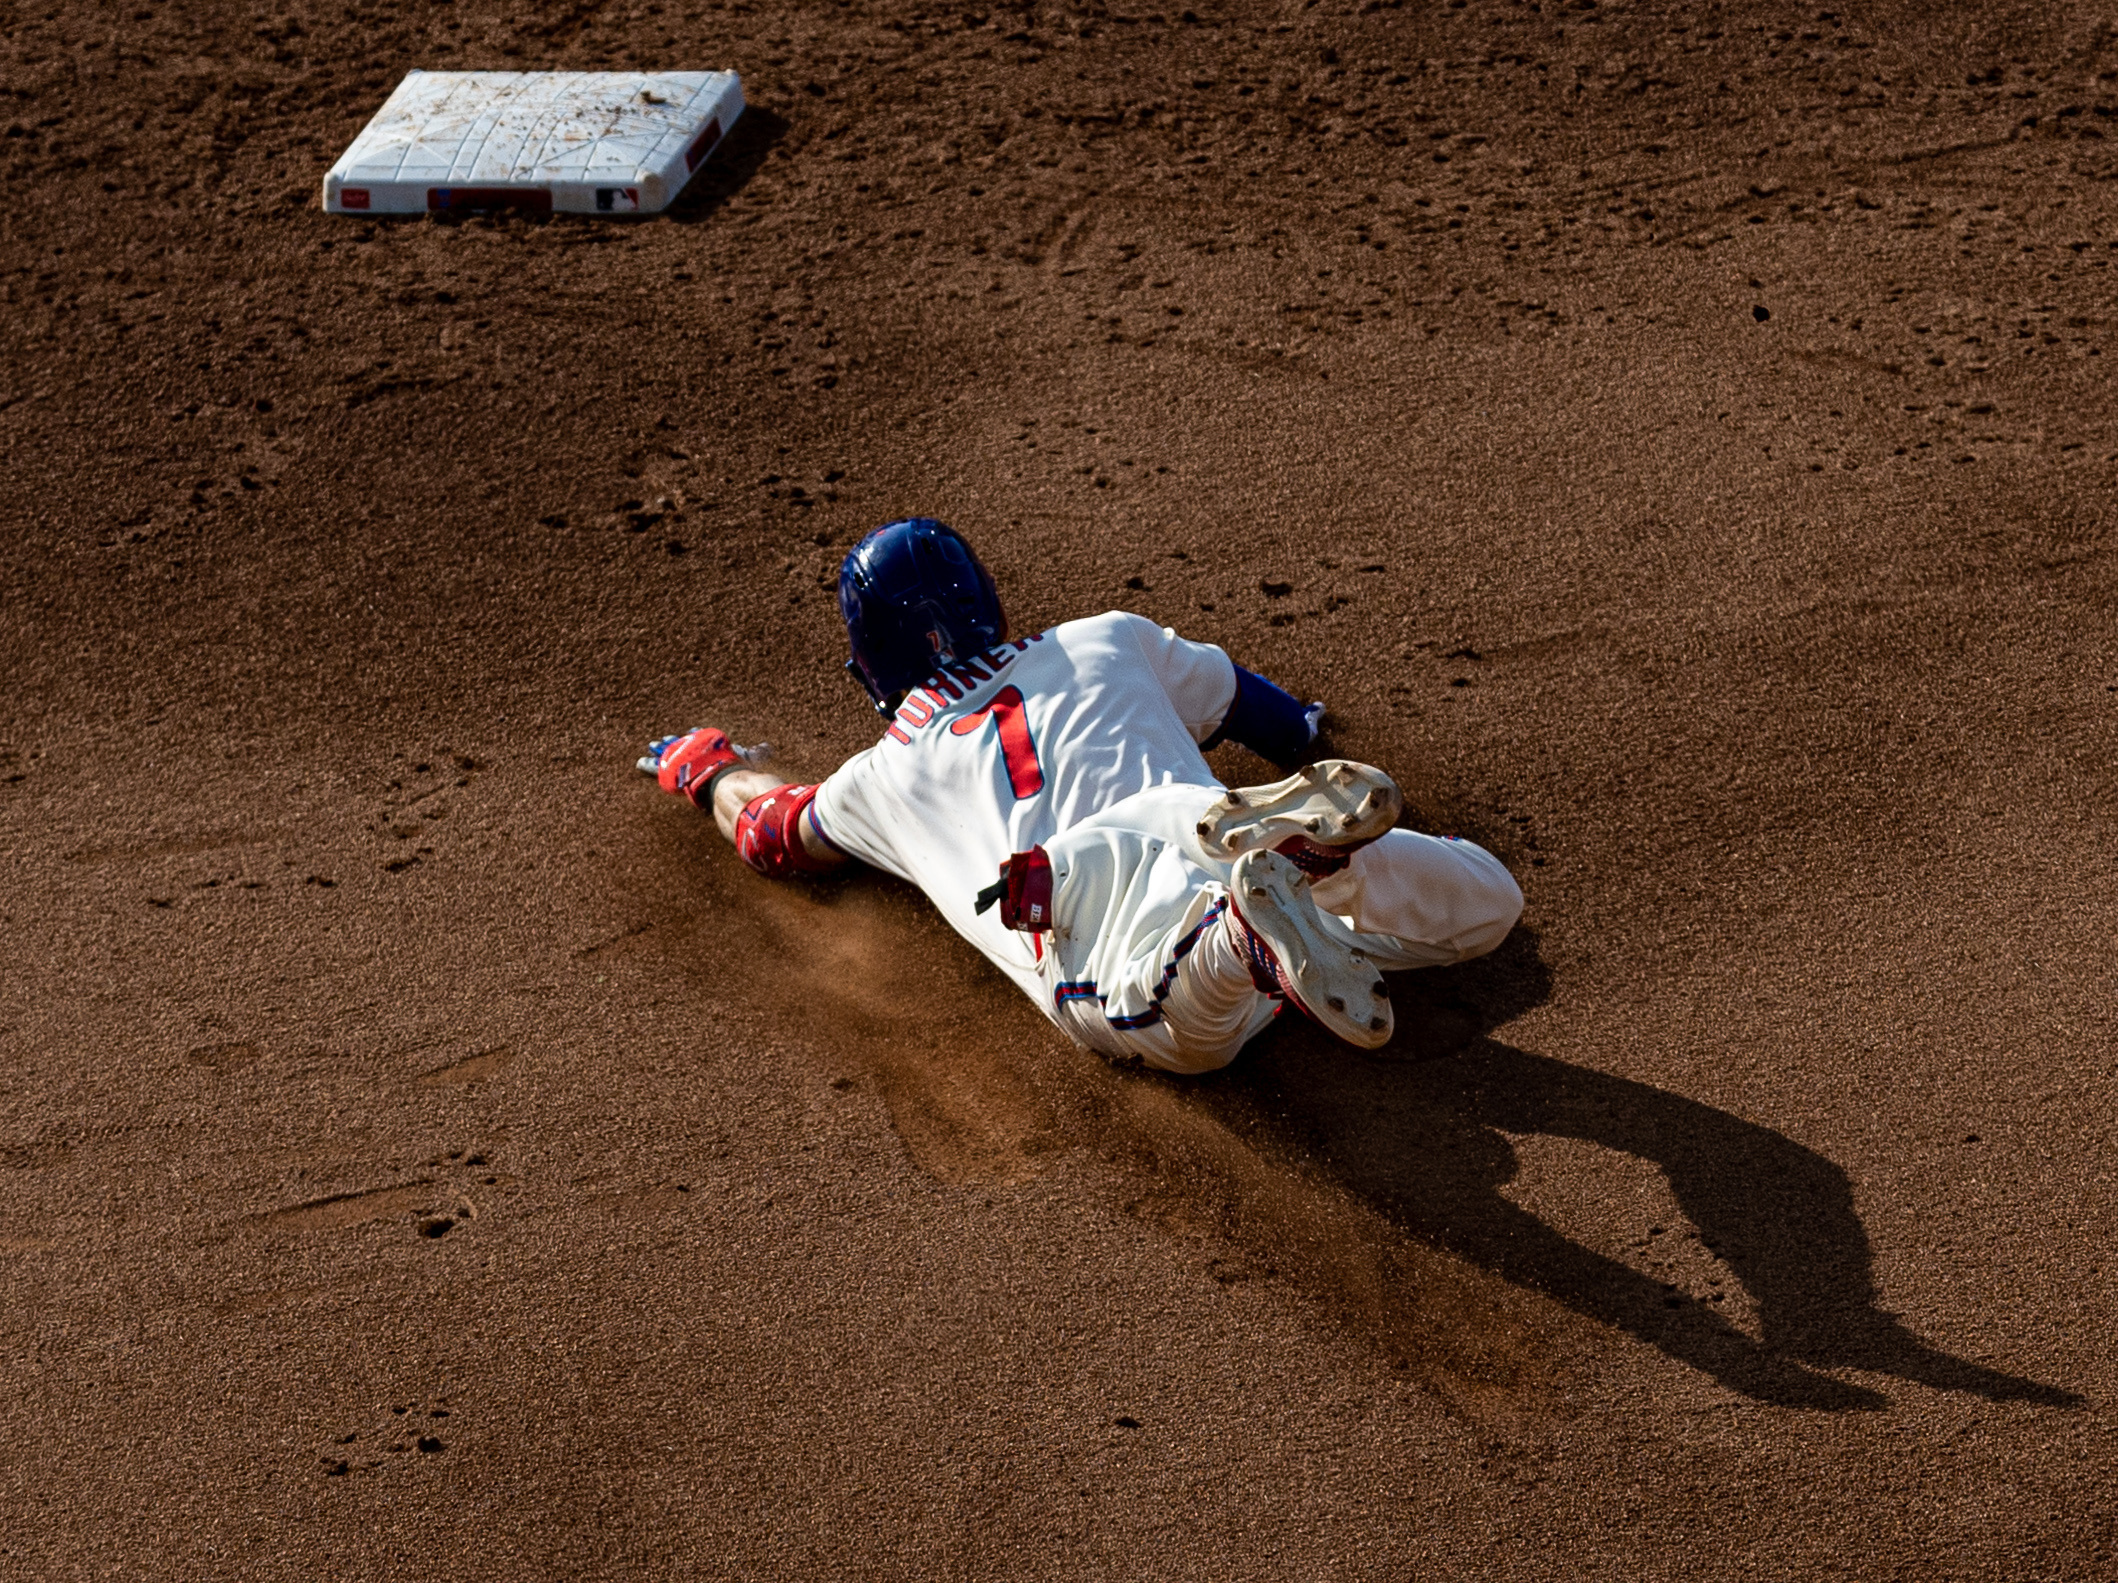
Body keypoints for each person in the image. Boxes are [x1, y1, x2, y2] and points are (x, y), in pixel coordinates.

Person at [638, 518, 1523, 1075]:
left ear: (869, 667)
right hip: (1200, 833)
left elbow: (768, 831)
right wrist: (1303, 732)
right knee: (1490, 901)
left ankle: (1244, 943)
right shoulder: (1103, 641)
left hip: (1102, 916)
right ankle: (1308, 861)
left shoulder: (884, 774)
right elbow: (1267, 712)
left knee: (1187, 1028)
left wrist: (705, 765)